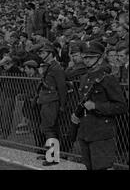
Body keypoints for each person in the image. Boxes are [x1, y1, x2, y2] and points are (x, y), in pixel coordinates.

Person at [71, 41, 127, 170]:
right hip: (85, 131)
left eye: (91, 57)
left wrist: (97, 106)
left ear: (100, 58)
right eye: (84, 57)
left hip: (102, 132)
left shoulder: (108, 78)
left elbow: (121, 106)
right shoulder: (85, 78)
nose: (87, 60)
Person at [36, 43, 67, 166]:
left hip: (51, 101)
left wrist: (62, 105)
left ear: (50, 54)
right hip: (46, 101)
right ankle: (49, 152)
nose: (41, 55)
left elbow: (62, 87)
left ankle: (52, 156)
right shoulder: (49, 67)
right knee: (46, 128)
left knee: (49, 128)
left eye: (44, 53)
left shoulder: (56, 68)